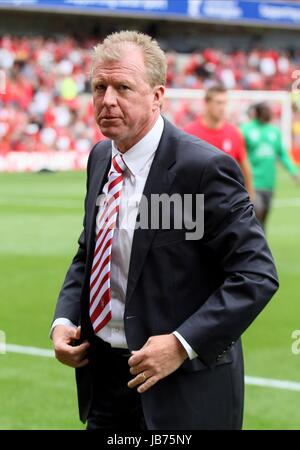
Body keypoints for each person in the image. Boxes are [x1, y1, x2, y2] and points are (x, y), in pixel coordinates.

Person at [51, 31, 279, 430]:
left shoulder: (204, 169)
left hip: (183, 389)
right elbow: (90, 253)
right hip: (106, 383)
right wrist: (65, 319)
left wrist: (180, 344)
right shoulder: (101, 157)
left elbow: (256, 275)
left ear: (157, 95)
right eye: (99, 87)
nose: (107, 100)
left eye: (123, 87)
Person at [184, 85, 254, 200]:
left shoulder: (234, 133)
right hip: (197, 201)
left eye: (224, 103)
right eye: (218, 103)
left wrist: (250, 197)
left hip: (226, 201)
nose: (222, 107)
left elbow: (245, 167)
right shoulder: (189, 133)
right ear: (207, 103)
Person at [241, 102, 299, 229]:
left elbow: (282, 154)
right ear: (257, 113)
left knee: (262, 222)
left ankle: (259, 246)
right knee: (256, 214)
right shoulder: (245, 130)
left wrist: (293, 171)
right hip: (253, 183)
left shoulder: (274, 131)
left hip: (269, 183)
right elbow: (239, 155)